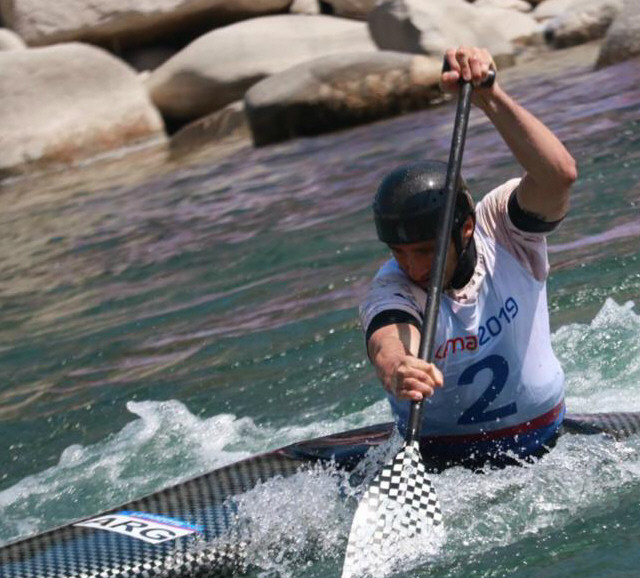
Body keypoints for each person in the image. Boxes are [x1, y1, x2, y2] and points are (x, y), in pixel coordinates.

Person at [359, 46, 578, 470]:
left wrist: (489, 97)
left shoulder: (502, 229)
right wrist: (399, 368)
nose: (413, 268)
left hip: (548, 442)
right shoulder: (391, 288)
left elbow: (559, 176)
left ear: (466, 229)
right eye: (398, 253)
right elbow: (388, 341)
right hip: (444, 467)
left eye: (425, 251)